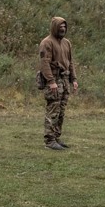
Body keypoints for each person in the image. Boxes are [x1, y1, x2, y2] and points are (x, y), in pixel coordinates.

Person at [38, 16, 78, 150]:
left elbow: (70, 62)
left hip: (65, 80)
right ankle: (49, 141)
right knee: (53, 110)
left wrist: (74, 79)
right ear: (54, 27)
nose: (63, 29)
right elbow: (44, 63)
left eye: (64, 27)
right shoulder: (46, 42)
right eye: (60, 27)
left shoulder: (67, 43)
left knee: (61, 111)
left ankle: (56, 137)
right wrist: (51, 81)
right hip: (54, 80)